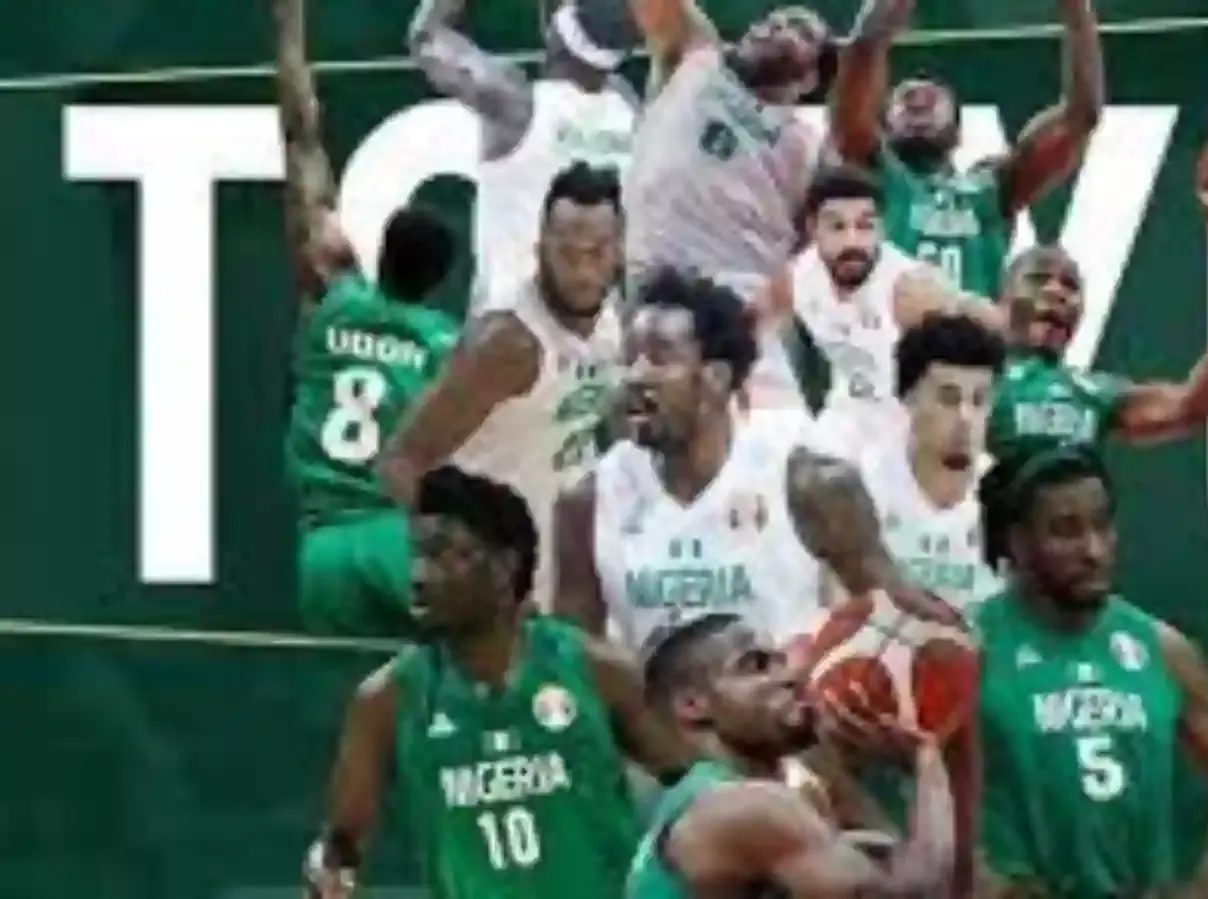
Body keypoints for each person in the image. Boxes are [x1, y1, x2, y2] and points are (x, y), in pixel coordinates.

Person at [302, 465, 700, 899]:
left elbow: (696, 786)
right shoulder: (386, 699)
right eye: (416, 554)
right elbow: (341, 844)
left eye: (439, 554)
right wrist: (329, 872)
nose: (417, 576)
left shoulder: (595, 669)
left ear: (504, 566)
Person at [553, 266, 963, 652]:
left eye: (659, 359)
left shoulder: (807, 483)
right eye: (629, 360)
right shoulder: (587, 501)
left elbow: (904, 615)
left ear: (717, 378)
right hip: (656, 702)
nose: (635, 376)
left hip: (783, 698)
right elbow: (573, 660)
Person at [970, 446, 1208, 898]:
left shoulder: (1164, 650)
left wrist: (1205, 889)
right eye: (1066, 531)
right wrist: (985, 883)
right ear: (1016, 541)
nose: (1094, 550)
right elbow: (875, 786)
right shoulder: (966, 651)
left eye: (1102, 525)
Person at [275, 0, 461, 636]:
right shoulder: (446, 344)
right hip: (394, 536)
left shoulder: (331, 301)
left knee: (340, 686)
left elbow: (300, 137)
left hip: (322, 545)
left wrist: (288, 27)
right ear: (441, 278)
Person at [378, 162, 623, 614]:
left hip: (563, 589)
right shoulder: (507, 342)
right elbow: (401, 462)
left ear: (619, 251)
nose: (582, 269)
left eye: (597, 252)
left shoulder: (612, 323)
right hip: (498, 599)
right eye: (567, 252)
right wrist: (457, 571)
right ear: (540, 246)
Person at [626, 613, 957, 899]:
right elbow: (915, 893)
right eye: (756, 665)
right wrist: (927, 759)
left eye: (781, 661)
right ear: (692, 705)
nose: (792, 676)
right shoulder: (740, 807)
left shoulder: (749, 795)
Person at [623, 0, 837, 406]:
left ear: (811, 79)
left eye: (800, 30)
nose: (776, 26)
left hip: (741, 296)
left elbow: (816, 252)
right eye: (773, 19)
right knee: (655, 427)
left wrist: (771, 309)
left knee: (768, 438)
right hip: (654, 282)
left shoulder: (808, 147)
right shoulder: (696, 56)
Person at [987, 201, 1208, 462]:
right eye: (1038, 278)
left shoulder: (1090, 392)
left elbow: (1190, 406)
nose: (1057, 291)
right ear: (1001, 298)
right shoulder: (971, 374)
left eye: (1070, 286)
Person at [827, 0, 1104, 297]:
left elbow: (1082, 114)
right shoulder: (872, 172)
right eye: (906, 99)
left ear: (958, 133)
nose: (917, 95)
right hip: (891, 326)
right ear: (885, 126)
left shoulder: (993, 187)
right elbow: (863, 49)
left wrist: (1076, 8)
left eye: (932, 97)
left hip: (973, 326)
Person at [750, 166, 1006, 449]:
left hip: (906, 434)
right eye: (837, 227)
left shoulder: (908, 290)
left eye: (865, 226)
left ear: (881, 229)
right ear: (813, 229)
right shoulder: (797, 277)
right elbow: (750, 325)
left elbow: (991, 321)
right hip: (846, 418)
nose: (852, 241)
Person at [409, 0, 636, 317]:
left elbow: (426, 36)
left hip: (513, 326)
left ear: (558, 33)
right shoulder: (628, 108)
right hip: (599, 327)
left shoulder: (515, 102)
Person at [854, 313, 1006, 613]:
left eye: (979, 400)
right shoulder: (862, 485)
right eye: (948, 399)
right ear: (907, 398)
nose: (965, 417)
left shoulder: (1009, 497)